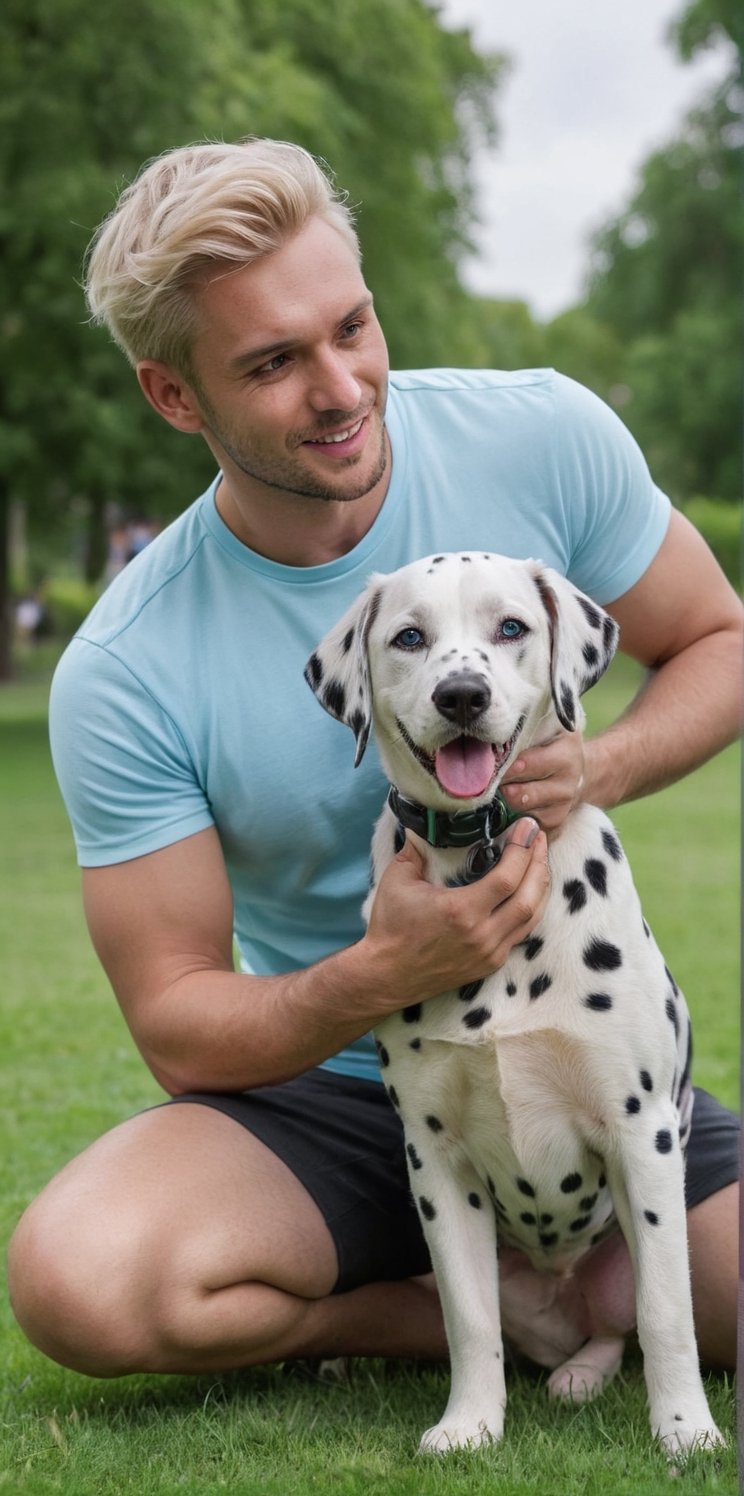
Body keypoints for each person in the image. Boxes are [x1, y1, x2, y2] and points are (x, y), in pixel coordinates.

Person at [8, 139, 741, 1384]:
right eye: (274, 362)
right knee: (78, 1279)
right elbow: (181, 1019)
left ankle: (534, 1289)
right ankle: (449, 1315)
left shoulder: (546, 433)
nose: (343, 385)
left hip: (584, 1058)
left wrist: (601, 763)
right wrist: (380, 971)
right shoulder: (126, 666)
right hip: (341, 1084)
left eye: (352, 324)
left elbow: (721, 638)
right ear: (176, 395)